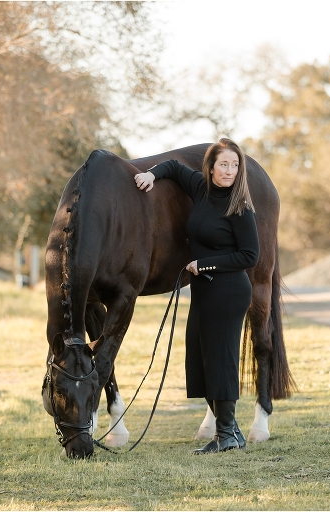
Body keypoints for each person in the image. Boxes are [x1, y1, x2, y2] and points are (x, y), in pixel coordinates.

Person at [134, 138, 259, 454]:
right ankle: (231, 431)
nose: (229, 171)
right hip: (204, 292)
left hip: (229, 290)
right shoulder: (202, 190)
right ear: (211, 167)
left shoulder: (240, 207)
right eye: (224, 164)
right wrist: (151, 174)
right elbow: (175, 167)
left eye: (234, 165)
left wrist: (204, 263)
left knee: (221, 360)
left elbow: (250, 255)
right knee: (200, 361)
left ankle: (226, 435)